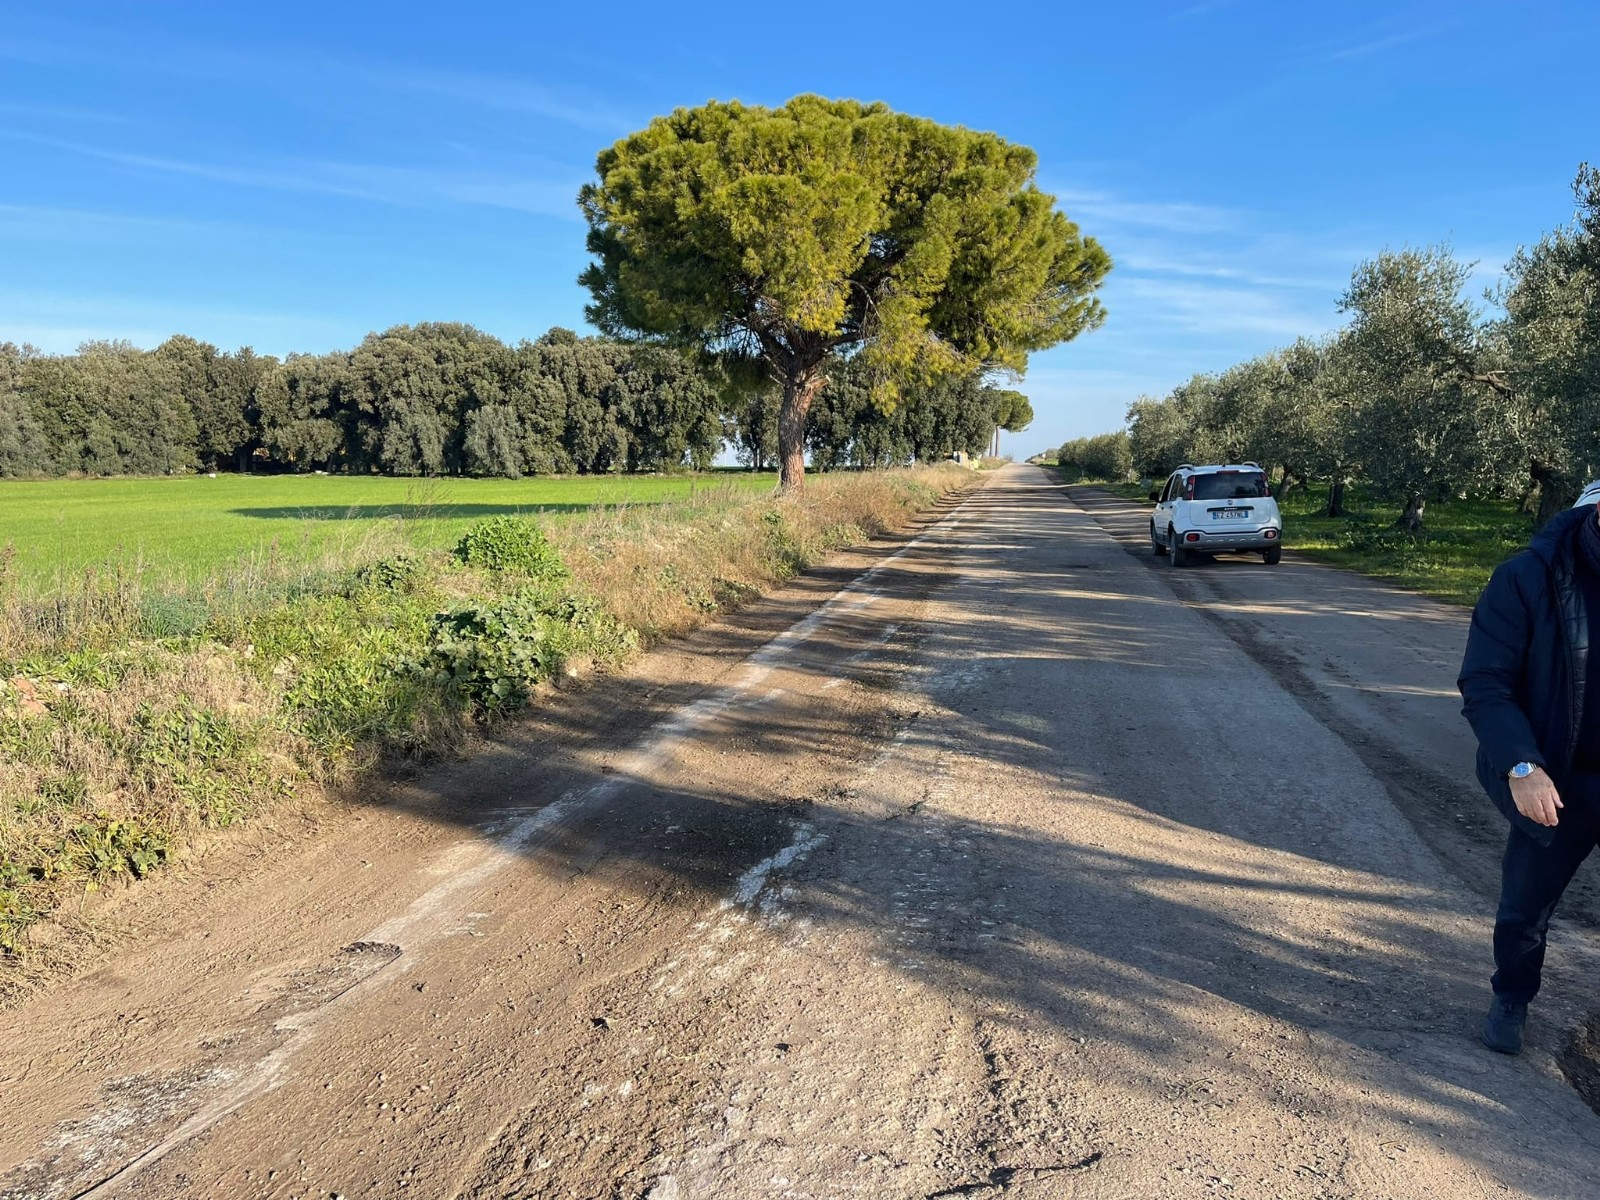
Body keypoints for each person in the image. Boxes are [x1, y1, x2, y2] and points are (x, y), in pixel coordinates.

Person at [1459, 495, 1600, 1054]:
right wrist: (1523, 766)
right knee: (1525, 908)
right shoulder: (1526, 578)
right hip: (1555, 781)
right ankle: (1512, 995)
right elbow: (1486, 685)